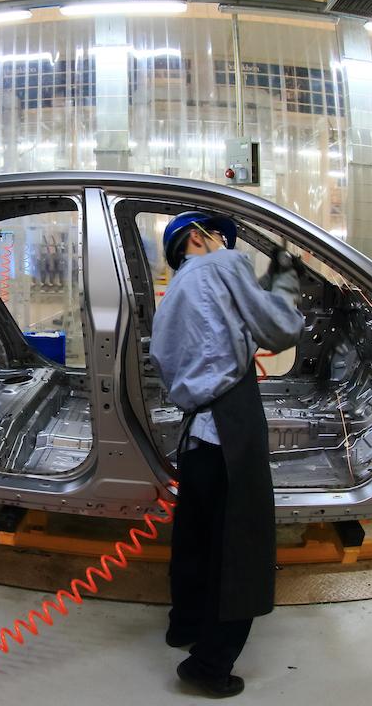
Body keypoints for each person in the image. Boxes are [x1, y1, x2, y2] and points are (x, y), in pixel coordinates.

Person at [149, 211, 305, 698]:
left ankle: (184, 626)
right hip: (230, 425)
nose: (226, 244)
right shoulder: (223, 265)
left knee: (195, 538)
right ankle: (209, 665)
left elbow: (193, 350)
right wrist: (286, 277)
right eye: (220, 236)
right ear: (199, 237)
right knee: (240, 548)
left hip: (196, 432)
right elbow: (280, 329)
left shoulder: (175, 290)